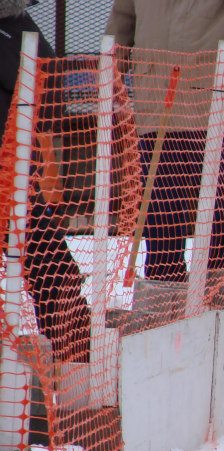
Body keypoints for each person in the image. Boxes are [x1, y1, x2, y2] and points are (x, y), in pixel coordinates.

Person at [105, 0, 224, 284]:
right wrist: (110, 77)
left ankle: (217, 289)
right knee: (162, 212)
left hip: (220, 100)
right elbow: (122, 20)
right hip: (157, 98)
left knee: (219, 209)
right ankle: (163, 294)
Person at [0, 0, 91, 364]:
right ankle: (77, 364)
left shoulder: (20, 29)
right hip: (15, 176)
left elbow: (51, 98)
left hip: (13, 177)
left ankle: (77, 365)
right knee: (53, 270)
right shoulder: (22, 29)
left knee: (54, 271)